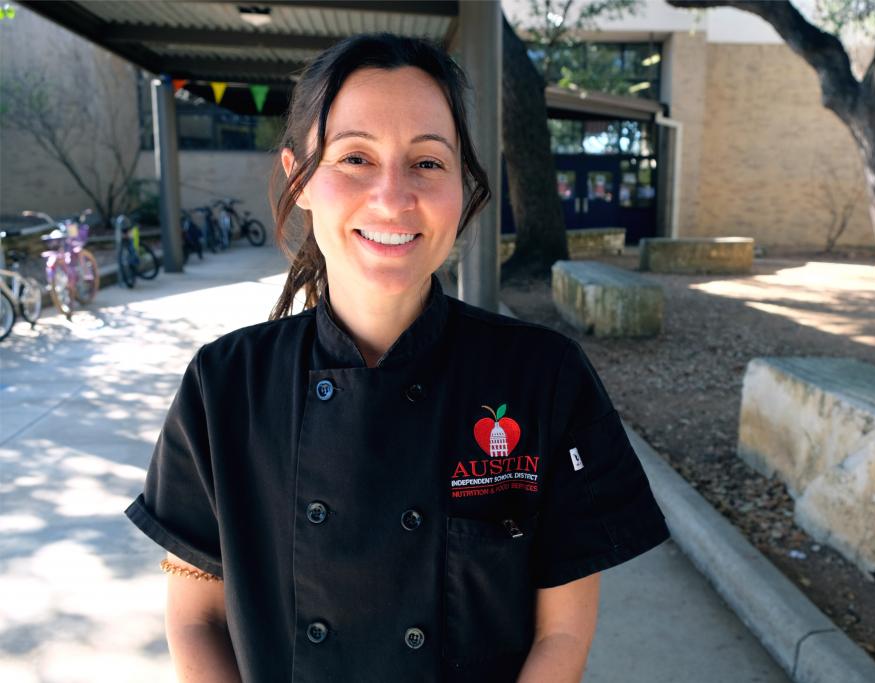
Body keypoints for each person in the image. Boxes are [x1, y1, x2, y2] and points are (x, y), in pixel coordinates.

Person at [124, 33, 670, 683]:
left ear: (463, 186)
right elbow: (197, 620)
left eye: (427, 162)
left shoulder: (544, 377)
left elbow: (563, 631)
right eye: (355, 156)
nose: (392, 197)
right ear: (299, 176)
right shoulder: (223, 386)